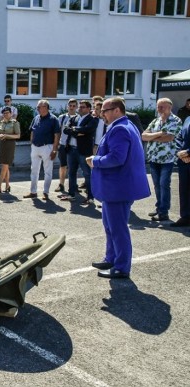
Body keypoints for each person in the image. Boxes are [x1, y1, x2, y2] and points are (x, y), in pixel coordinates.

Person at [86, 97, 150, 279]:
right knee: (110, 226)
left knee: (118, 228)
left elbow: (116, 158)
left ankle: (121, 267)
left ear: (117, 110)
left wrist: (95, 161)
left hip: (118, 188)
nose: (102, 114)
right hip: (116, 188)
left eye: (105, 111)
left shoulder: (120, 128)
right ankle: (111, 258)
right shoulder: (123, 126)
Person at [142, 98, 183, 222]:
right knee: (157, 185)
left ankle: (164, 211)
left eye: (162, 107)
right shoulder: (156, 121)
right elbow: (143, 136)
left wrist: (152, 137)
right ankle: (159, 207)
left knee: (164, 184)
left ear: (169, 108)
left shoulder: (176, 120)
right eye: (158, 107)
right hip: (154, 158)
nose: (159, 109)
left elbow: (169, 138)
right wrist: (160, 133)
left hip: (168, 158)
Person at [60, 100, 98, 205]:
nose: (80, 109)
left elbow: (88, 129)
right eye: (80, 107)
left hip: (83, 151)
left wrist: (75, 130)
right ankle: (71, 193)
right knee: (71, 172)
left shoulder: (92, 120)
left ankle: (90, 197)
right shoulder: (74, 118)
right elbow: (65, 130)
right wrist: (78, 132)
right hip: (71, 149)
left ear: (89, 109)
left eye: (83, 107)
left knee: (87, 173)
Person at [23, 100, 60, 200]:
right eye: (38, 107)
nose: (38, 109)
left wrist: (54, 150)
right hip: (35, 147)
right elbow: (32, 131)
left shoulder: (53, 119)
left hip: (47, 147)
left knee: (48, 171)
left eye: (39, 107)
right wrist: (32, 143)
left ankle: (46, 192)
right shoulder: (36, 118)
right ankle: (33, 191)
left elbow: (57, 135)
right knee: (34, 170)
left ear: (46, 107)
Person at [55, 99, 79, 193]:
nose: (72, 107)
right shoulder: (62, 117)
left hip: (74, 145)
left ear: (76, 107)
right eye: (70, 105)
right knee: (63, 165)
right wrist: (56, 145)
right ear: (67, 106)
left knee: (74, 167)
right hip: (63, 144)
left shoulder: (79, 117)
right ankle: (61, 184)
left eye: (74, 106)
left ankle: (74, 185)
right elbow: (58, 132)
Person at [0, 106, 20, 194]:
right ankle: (7, 185)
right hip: (2, 144)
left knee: (5, 165)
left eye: (7, 113)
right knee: (5, 166)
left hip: (10, 144)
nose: (5, 114)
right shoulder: (1, 122)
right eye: (4, 113)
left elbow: (18, 135)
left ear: (11, 113)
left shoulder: (14, 123)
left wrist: (6, 136)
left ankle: (0, 184)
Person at [171, 116, 190, 227]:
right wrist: (180, 152)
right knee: (184, 191)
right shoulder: (187, 119)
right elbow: (179, 137)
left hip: (187, 155)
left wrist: (188, 152)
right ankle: (186, 217)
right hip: (184, 161)